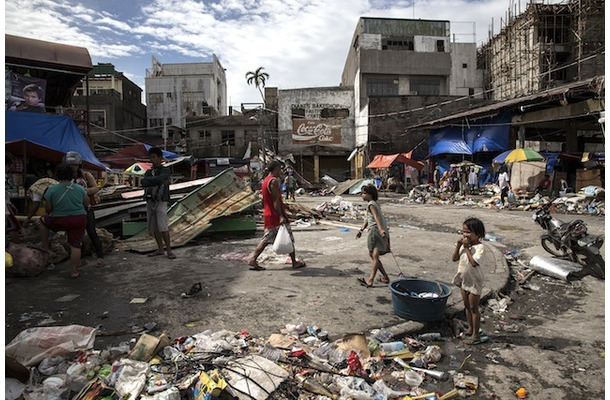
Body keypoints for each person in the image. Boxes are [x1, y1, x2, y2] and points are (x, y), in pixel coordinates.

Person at [248, 160, 306, 270]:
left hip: (269, 213)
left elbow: (273, 200)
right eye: (279, 168)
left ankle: (253, 259)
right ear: (275, 169)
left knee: (267, 239)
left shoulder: (266, 180)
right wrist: (280, 216)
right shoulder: (274, 181)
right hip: (275, 215)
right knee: (286, 238)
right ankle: (294, 262)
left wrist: (286, 206)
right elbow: (275, 200)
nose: (280, 171)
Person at [39, 163, 89, 278]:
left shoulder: (51, 189)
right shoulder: (80, 188)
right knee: (75, 245)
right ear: (72, 175)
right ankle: (74, 271)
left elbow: (48, 209)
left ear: (57, 175)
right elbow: (86, 203)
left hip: (59, 220)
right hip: (78, 219)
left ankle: (45, 246)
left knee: (42, 221)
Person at [64, 151, 105, 267]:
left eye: (75, 165)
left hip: (86, 208)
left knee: (92, 232)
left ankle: (100, 256)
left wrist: (83, 192)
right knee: (76, 235)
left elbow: (96, 188)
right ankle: (81, 258)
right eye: (71, 165)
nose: (73, 167)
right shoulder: (64, 178)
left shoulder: (86, 175)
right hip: (72, 209)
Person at [451, 217, 487, 345]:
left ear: (478, 234)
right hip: (464, 280)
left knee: (474, 308)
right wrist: (459, 246)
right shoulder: (464, 245)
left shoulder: (480, 248)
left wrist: (466, 248)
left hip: (475, 281)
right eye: (463, 232)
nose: (465, 235)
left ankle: (476, 335)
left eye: (468, 232)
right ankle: (471, 328)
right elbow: (454, 258)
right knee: (466, 306)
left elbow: (473, 263)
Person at [142, 147, 176, 259]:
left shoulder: (165, 170)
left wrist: (153, 180)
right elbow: (143, 182)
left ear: (160, 158)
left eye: (153, 157)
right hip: (150, 200)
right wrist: (158, 181)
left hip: (161, 200)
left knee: (163, 226)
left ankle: (169, 250)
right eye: (150, 157)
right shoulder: (149, 171)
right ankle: (160, 249)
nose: (152, 160)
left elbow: (161, 178)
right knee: (154, 226)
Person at [356, 184, 390, 287]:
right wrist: (361, 230)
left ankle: (370, 279)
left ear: (371, 194)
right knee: (374, 255)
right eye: (362, 193)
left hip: (375, 231)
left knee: (374, 254)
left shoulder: (371, 204)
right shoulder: (375, 204)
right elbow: (368, 219)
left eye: (364, 193)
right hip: (377, 230)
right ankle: (385, 276)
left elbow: (376, 217)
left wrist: (380, 230)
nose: (362, 195)